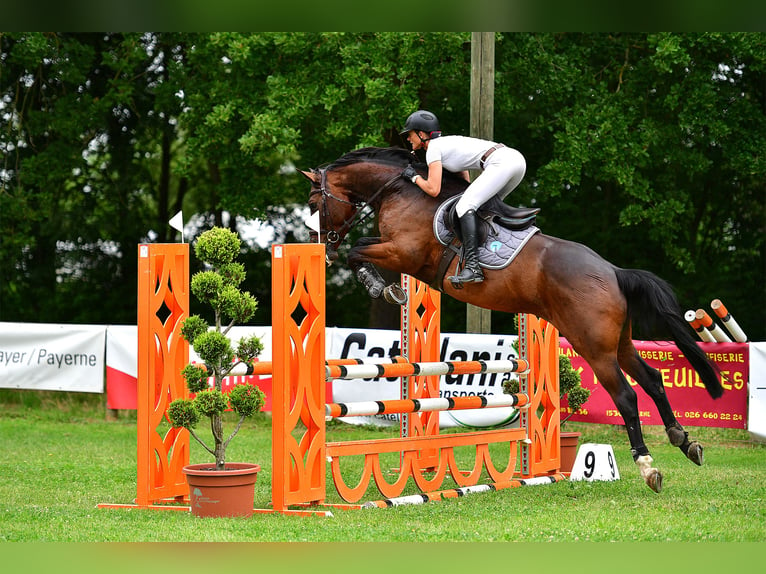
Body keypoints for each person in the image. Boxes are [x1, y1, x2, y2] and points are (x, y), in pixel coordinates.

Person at [399, 109, 526, 285]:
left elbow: (433, 189)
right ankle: (495, 249)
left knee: (464, 207)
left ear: (421, 134)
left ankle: (473, 267)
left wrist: (414, 177)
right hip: (515, 161)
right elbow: (466, 181)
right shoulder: (446, 144)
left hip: (501, 163)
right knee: (482, 208)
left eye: (410, 134)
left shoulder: (433, 149)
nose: (407, 138)